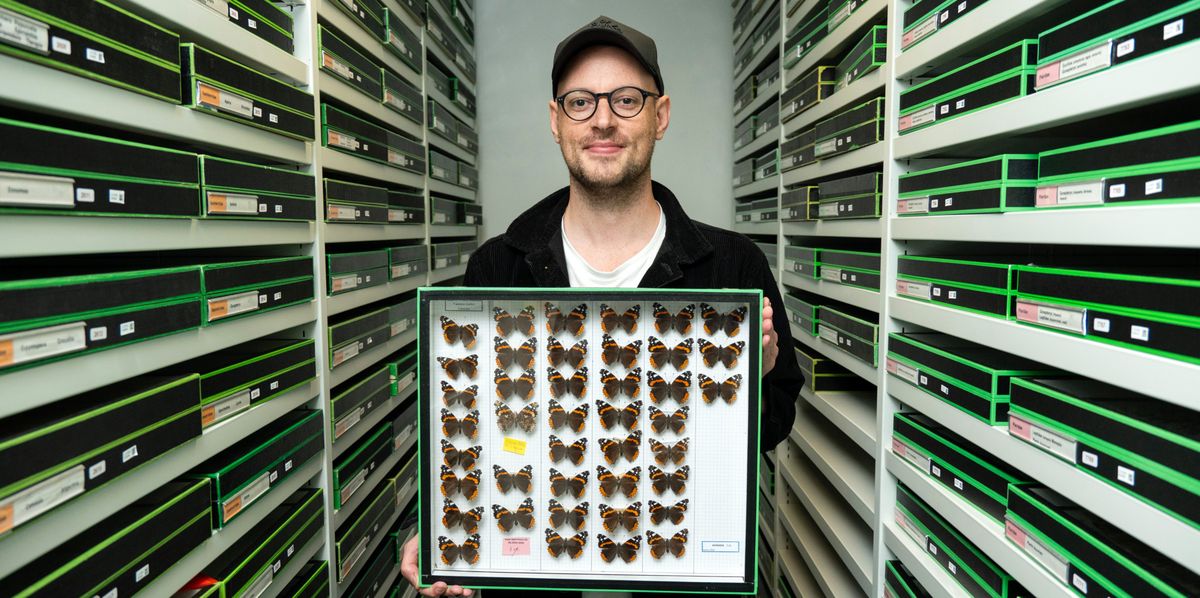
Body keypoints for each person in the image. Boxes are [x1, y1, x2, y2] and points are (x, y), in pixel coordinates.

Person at [400, 15, 803, 597]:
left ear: (660, 116)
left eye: (627, 99)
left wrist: (757, 376)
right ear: (556, 121)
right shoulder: (499, 268)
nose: (604, 119)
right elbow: (477, 432)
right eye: (581, 102)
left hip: (680, 573)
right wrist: (450, 527)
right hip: (539, 574)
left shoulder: (733, 267)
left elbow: (775, 424)